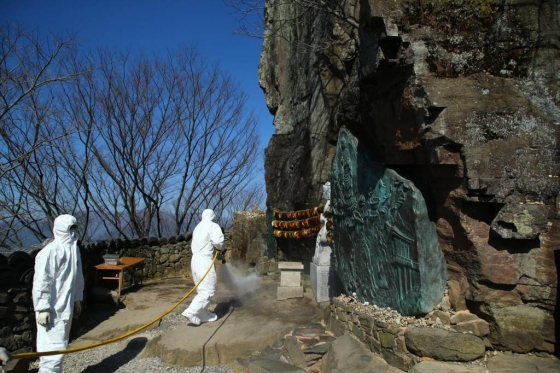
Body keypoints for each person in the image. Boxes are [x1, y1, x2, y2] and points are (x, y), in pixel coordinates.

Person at [32, 214, 84, 373]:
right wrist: (42, 308)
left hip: (65, 306)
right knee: (50, 350)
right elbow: (42, 281)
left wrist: (76, 299)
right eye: (70, 228)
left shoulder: (74, 250)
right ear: (62, 229)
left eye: (75, 227)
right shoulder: (50, 252)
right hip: (51, 308)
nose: (73, 231)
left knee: (60, 346)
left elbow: (77, 277)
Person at [182, 209, 225, 325]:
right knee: (208, 290)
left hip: (195, 260)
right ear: (213, 216)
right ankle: (191, 311)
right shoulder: (212, 226)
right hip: (204, 260)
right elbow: (219, 242)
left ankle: (203, 314)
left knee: (201, 288)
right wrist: (221, 247)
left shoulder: (198, 227)